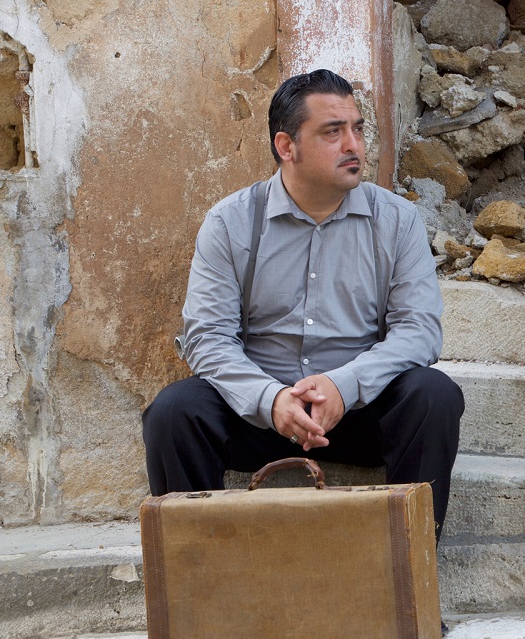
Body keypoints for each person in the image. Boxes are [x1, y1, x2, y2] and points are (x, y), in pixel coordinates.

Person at [143, 69, 463, 538]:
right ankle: (200, 586)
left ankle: (410, 583)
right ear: (286, 146)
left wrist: (344, 385)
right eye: (333, 132)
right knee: (174, 411)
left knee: (433, 395)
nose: (353, 144)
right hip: (260, 415)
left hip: (357, 413)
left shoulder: (396, 220)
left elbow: (419, 330)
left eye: (357, 129)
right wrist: (269, 399)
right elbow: (207, 337)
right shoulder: (231, 222)